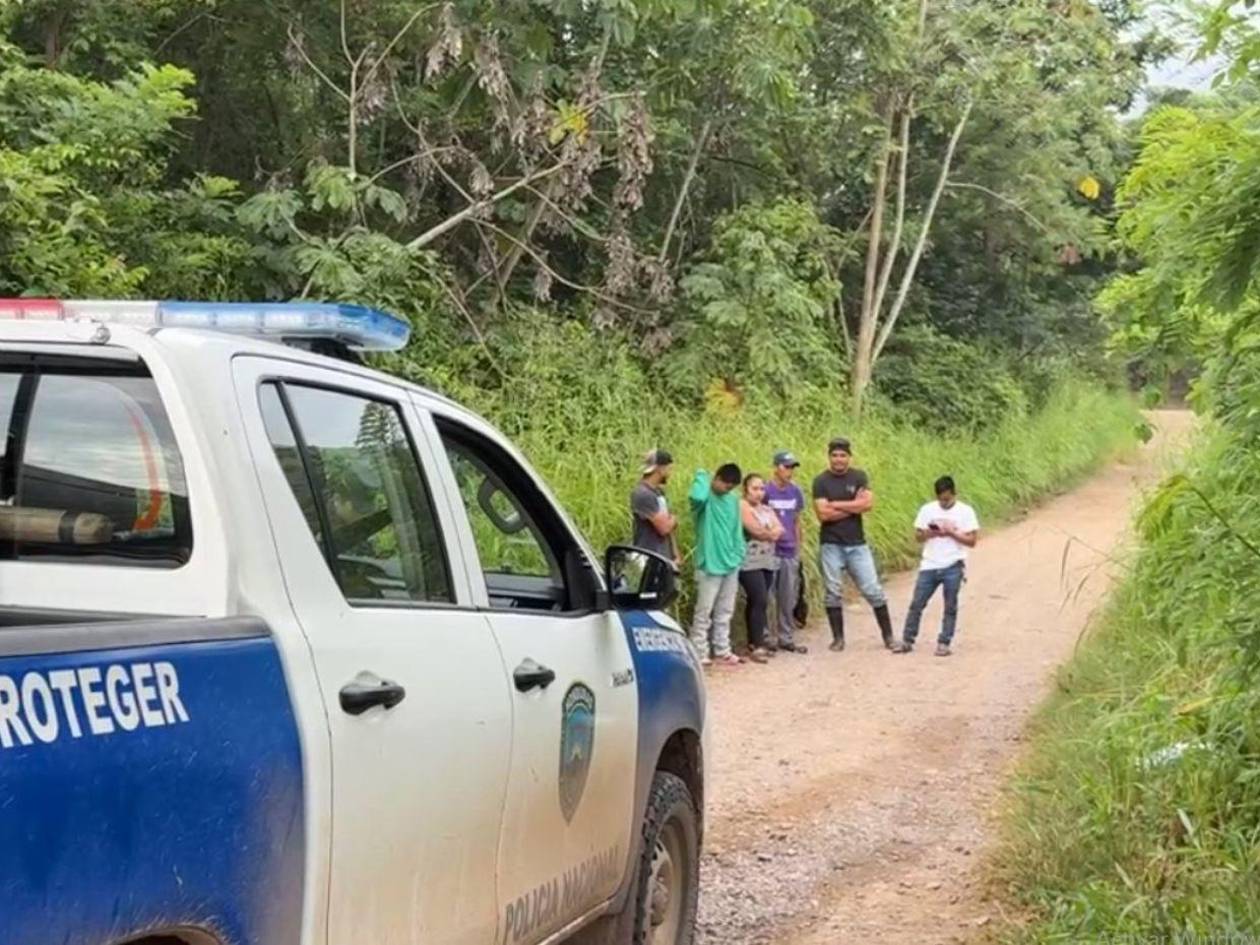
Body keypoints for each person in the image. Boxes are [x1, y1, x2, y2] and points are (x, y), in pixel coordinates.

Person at [812, 437, 895, 652]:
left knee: (873, 589)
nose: (838, 459)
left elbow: (867, 504)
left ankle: (889, 637)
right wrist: (853, 506)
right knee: (833, 591)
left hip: (857, 544)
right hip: (831, 544)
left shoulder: (859, 476)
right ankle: (838, 639)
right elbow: (823, 514)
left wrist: (837, 504)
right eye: (835, 455)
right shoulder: (821, 481)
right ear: (829, 456)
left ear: (849, 456)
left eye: (842, 455)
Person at [893, 475, 980, 657]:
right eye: (941, 499)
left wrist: (951, 533)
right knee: (917, 603)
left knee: (950, 606)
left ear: (954, 494)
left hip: (953, 564)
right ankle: (907, 640)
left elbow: (972, 541)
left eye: (947, 499)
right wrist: (930, 533)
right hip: (930, 563)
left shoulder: (965, 512)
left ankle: (944, 642)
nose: (943, 503)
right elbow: (917, 536)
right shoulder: (927, 510)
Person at [689, 463, 745, 667]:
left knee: (725, 610)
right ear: (717, 479)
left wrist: (739, 554)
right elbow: (697, 497)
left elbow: (736, 529)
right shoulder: (705, 501)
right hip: (709, 563)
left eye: (731, 487)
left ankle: (722, 649)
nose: (727, 489)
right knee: (704, 610)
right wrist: (703, 474)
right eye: (724, 484)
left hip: (730, 563)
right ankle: (699, 649)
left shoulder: (733, 500)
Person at [765, 450, 809, 654]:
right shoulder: (765, 491)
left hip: (789, 550)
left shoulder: (796, 492)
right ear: (776, 467)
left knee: (788, 595)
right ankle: (767, 637)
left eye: (792, 467)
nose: (789, 471)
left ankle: (786, 636)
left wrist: (799, 547)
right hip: (770, 550)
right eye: (786, 466)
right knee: (767, 596)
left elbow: (797, 520)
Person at [739, 473, 783, 664]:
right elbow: (753, 529)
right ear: (745, 489)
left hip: (767, 560)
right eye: (754, 488)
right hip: (749, 561)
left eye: (761, 489)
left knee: (758, 601)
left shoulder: (766, 508)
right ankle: (757, 644)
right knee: (759, 598)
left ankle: (754, 640)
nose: (759, 493)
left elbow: (779, 529)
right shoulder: (742, 506)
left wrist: (768, 533)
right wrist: (768, 532)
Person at [631, 448, 679, 564]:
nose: (670, 473)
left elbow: (668, 528)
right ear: (660, 469)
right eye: (669, 468)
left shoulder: (659, 492)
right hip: (648, 557)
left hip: (664, 557)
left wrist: (675, 554)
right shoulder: (643, 494)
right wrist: (674, 519)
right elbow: (664, 528)